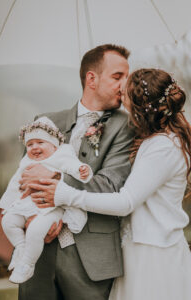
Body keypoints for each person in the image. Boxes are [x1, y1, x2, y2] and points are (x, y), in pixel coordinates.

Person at [36, 68, 191, 300]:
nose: (120, 93)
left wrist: (64, 195)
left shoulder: (163, 147)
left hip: (155, 256)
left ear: (140, 106)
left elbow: (125, 201)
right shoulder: (156, 141)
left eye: (125, 91)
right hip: (140, 249)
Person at [18, 44, 134, 300]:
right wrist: (30, 219)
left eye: (127, 77)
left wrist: (55, 179)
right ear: (91, 78)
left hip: (90, 259)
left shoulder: (126, 126)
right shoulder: (45, 121)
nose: (125, 85)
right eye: (118, 77)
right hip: (39, 251)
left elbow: (110, 184)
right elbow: (23, 178)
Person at [0, 116, 92, 284]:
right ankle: (20, 247)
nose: (34, 148)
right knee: (8, 221)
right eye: (30, 144)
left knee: (35, 230)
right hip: (27, 204)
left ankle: (27, 265)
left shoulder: (62, 154)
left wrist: (81, 170)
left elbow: (72, 166)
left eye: (40, 142)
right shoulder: (27, 162)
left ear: (54, 144)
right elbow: (14, 184)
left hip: (51, 207)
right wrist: (3, 203)